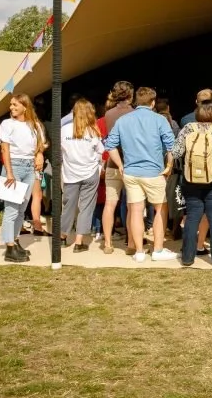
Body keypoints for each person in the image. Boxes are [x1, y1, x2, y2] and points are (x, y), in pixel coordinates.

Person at [104, 86, 177, 263]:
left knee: (135, 210)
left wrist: (120, 165)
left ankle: (138, 251)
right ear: (153, 103)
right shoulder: (159, 120)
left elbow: (110, 145)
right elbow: (171, 146)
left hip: (131, 171)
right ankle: (158, 249)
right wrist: (169, 165)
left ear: (136, 101)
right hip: (153, 172)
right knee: (160, 208)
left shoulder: (124, 120)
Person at [173, 99, 212, 267]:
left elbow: (176, 152)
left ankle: (187, 257)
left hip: (192, 177)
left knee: (193, 216)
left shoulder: (188, 129)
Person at [0, 94, 46, 263]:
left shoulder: (35, 125)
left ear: (25, 106)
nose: (11, 108)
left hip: (29, 166)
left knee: (22, 208)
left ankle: (15, 240)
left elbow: (41, 144)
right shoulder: (7, 124)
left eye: (15, 105)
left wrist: (39, 153)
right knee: (11, 208)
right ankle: (9, 246)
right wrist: (9, 172)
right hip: (15, 166)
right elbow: (5, 149)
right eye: (11, 105)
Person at [59, 98, 104, 252]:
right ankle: (79, 242)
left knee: (68, 206)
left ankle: (62, 236)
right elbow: (101, 151)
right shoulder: (92, 130)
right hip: (90, 173)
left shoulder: (64, 130)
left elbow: (59, 151)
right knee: (86, 207)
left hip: (71, 173)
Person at [100, 81, 135, 254]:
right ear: (130, 95)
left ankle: (107, 243)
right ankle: (130, 242)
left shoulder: (108, 114)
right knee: (132, 205)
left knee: (110, 204)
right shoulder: (134, 113)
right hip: (131, 163)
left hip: (113, 163)